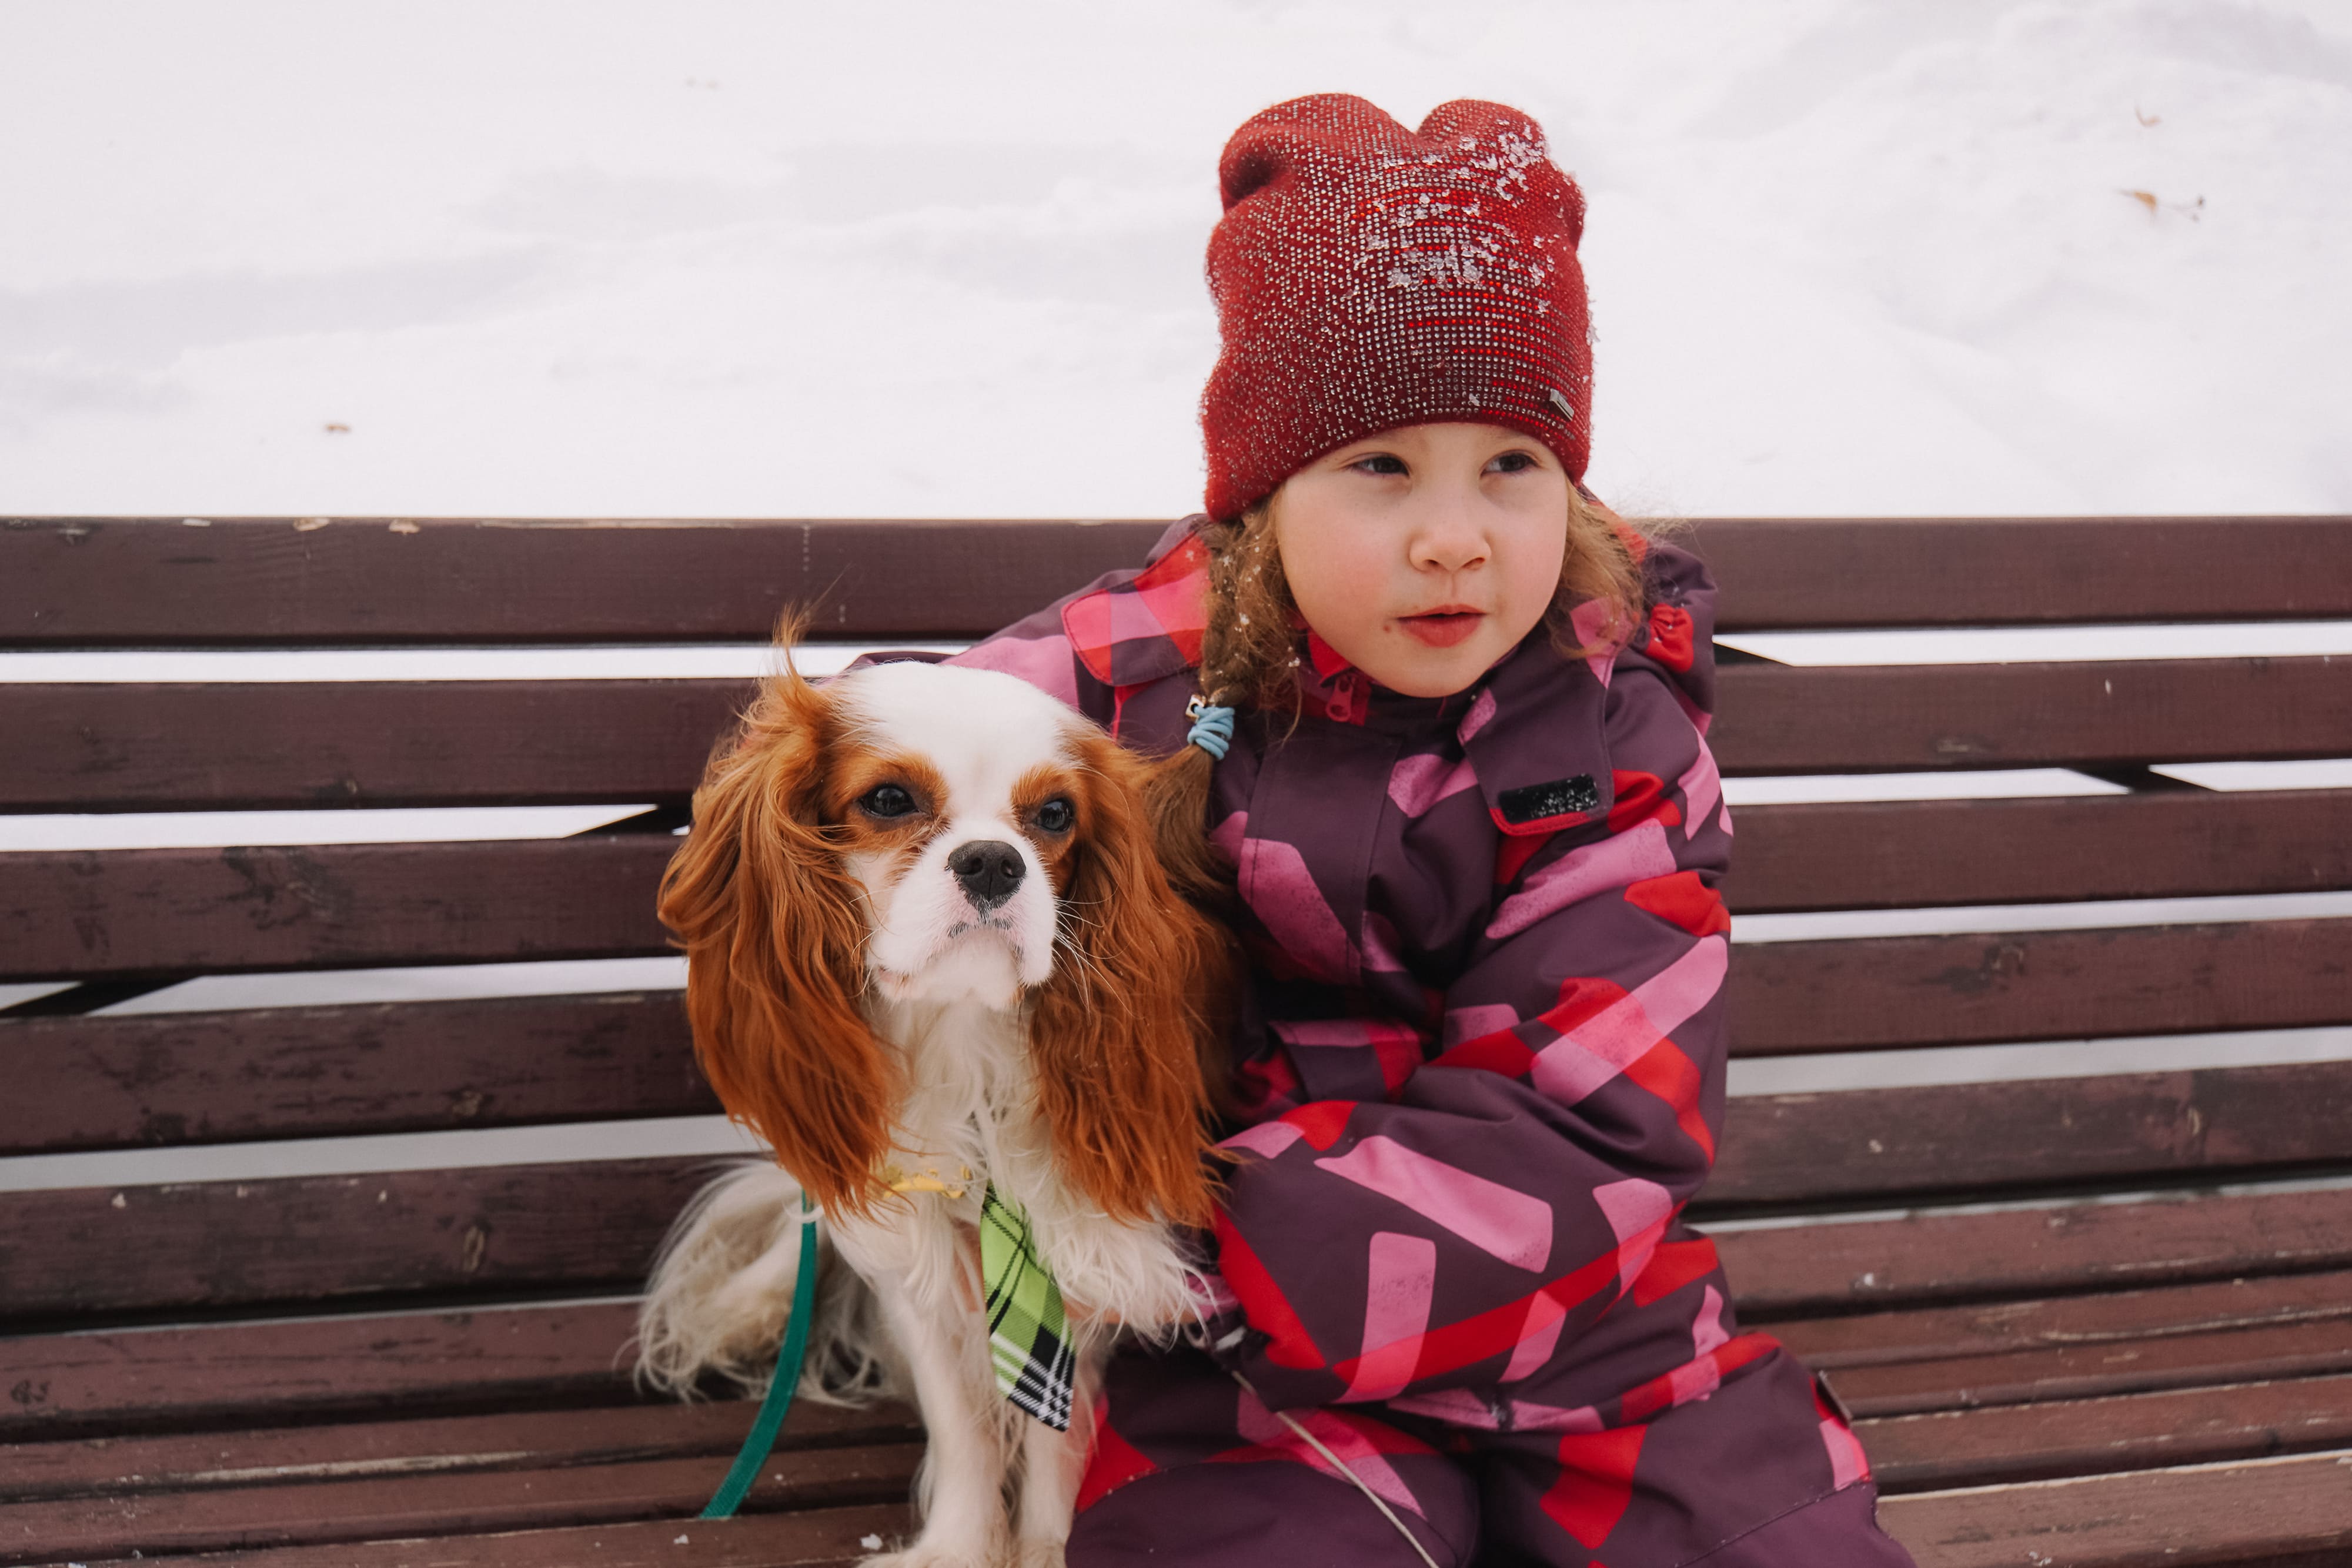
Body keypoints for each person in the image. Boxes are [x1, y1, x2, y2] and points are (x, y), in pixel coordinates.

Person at [950, 93, 1920, 1568]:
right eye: (1382, 468)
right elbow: (881, 780)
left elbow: (1588, 1117)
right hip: (1234, 1373)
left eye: (1510, 467)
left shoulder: (1615, 742)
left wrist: (1174, 1248)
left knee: (1762, 1545)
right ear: (1260, 495)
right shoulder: (1124, 678)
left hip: (1567, 1318)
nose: (1453, 534)